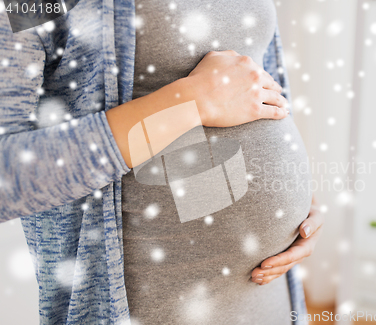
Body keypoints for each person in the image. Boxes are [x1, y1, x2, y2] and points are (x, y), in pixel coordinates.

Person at [0, 0, 324, 323]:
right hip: (153, 304)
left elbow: (253, 82)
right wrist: (190, 102)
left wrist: (291, 194)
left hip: (267, 296)